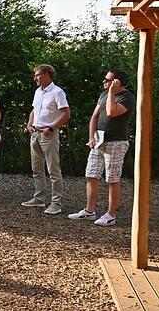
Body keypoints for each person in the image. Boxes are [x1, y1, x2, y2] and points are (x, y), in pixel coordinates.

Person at [68, 69, 136, 226]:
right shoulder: (103, 95)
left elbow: (112, 112)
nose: (104, 82)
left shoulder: (127, 97)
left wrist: (112, 92)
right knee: (91, 175)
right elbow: (95, 117)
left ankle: (110, 215)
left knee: (112, 179)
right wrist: (91, 137)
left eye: (108, 80)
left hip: (116, 142)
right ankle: (89, 211)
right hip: (99, 141)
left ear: (117, 82)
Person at [21, 64, 71, 215]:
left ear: (46, 74)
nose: (34, 78)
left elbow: (66, 113)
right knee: (36, 168)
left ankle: (56, 203)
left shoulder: (57, 92)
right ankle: (39, 198)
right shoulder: (38, 92)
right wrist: (29, 124)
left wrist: (51, 128)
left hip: (48, 134)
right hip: (35, 133)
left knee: (53, 169)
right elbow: (34, 110)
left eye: (37, 75)